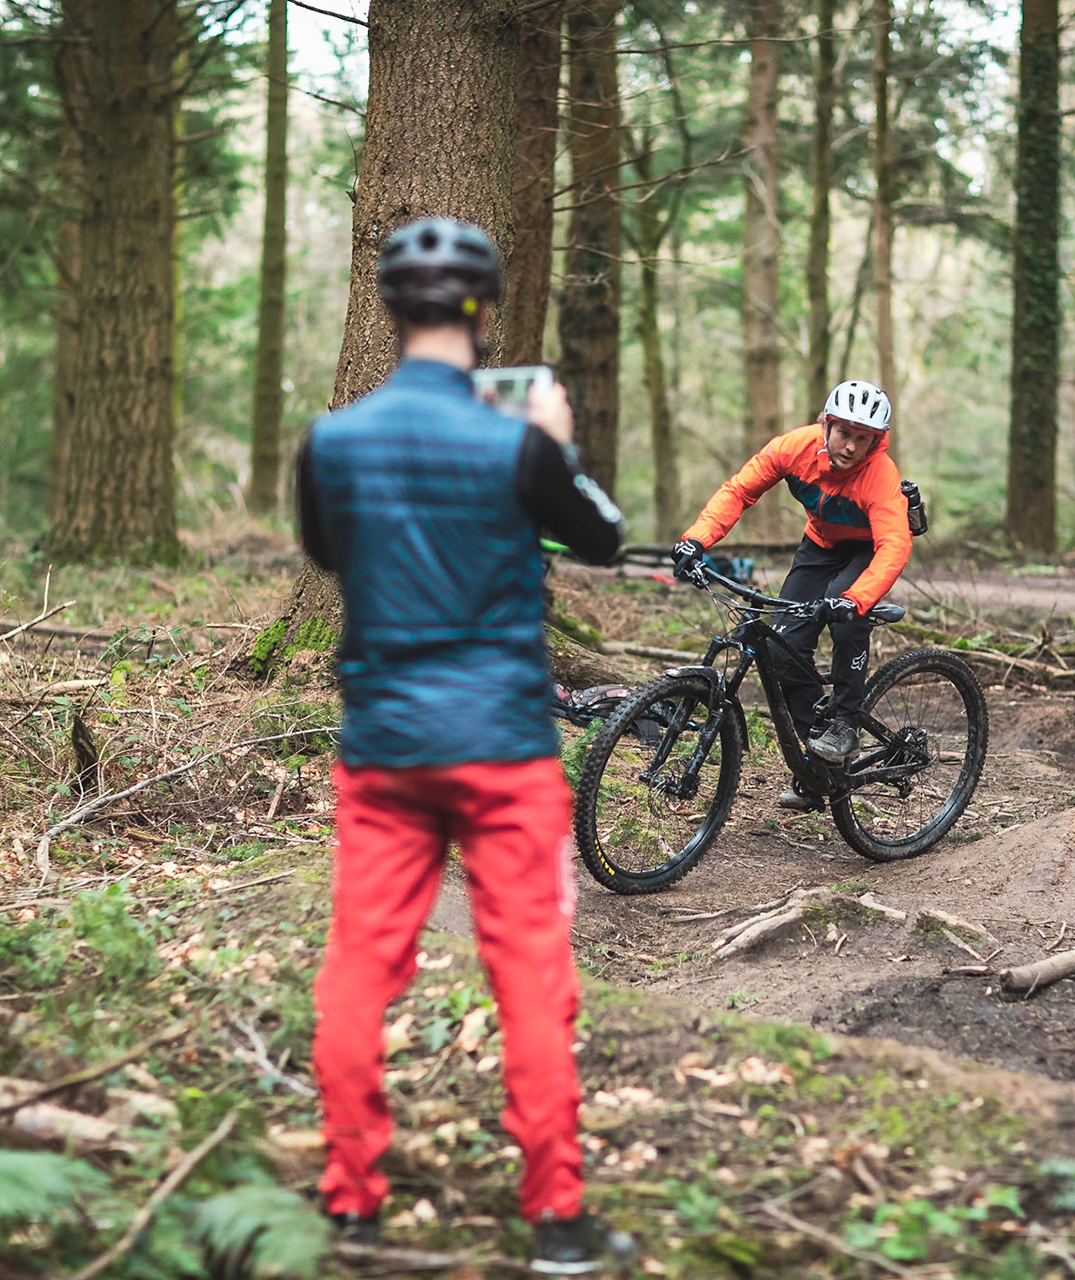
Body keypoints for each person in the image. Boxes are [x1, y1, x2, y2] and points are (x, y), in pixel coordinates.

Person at [293, 216, 629, 1274]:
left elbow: (327, 550)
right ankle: (558, 1220)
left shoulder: (331, 442)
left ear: (391, 310)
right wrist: (556, 445)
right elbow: (605, 537)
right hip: (504, 747)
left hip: (384, 746)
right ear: (484, 313)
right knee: (530, 974)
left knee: (360, 967)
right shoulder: (518, 445)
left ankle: (352, 1206)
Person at [672, 380, 911, 809]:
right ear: (826, 424)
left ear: (876, 441)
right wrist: (696, 540)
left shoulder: (880, 474)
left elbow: (894, 544)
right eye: (845, 433)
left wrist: (854, 600)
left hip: (868, 549)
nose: (851, 446)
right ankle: (819, 767)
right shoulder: (793, 447)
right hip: (819, 545)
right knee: (784, 649)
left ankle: (845, 723)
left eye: (863, 439)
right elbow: (739, 490)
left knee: (846, 613)